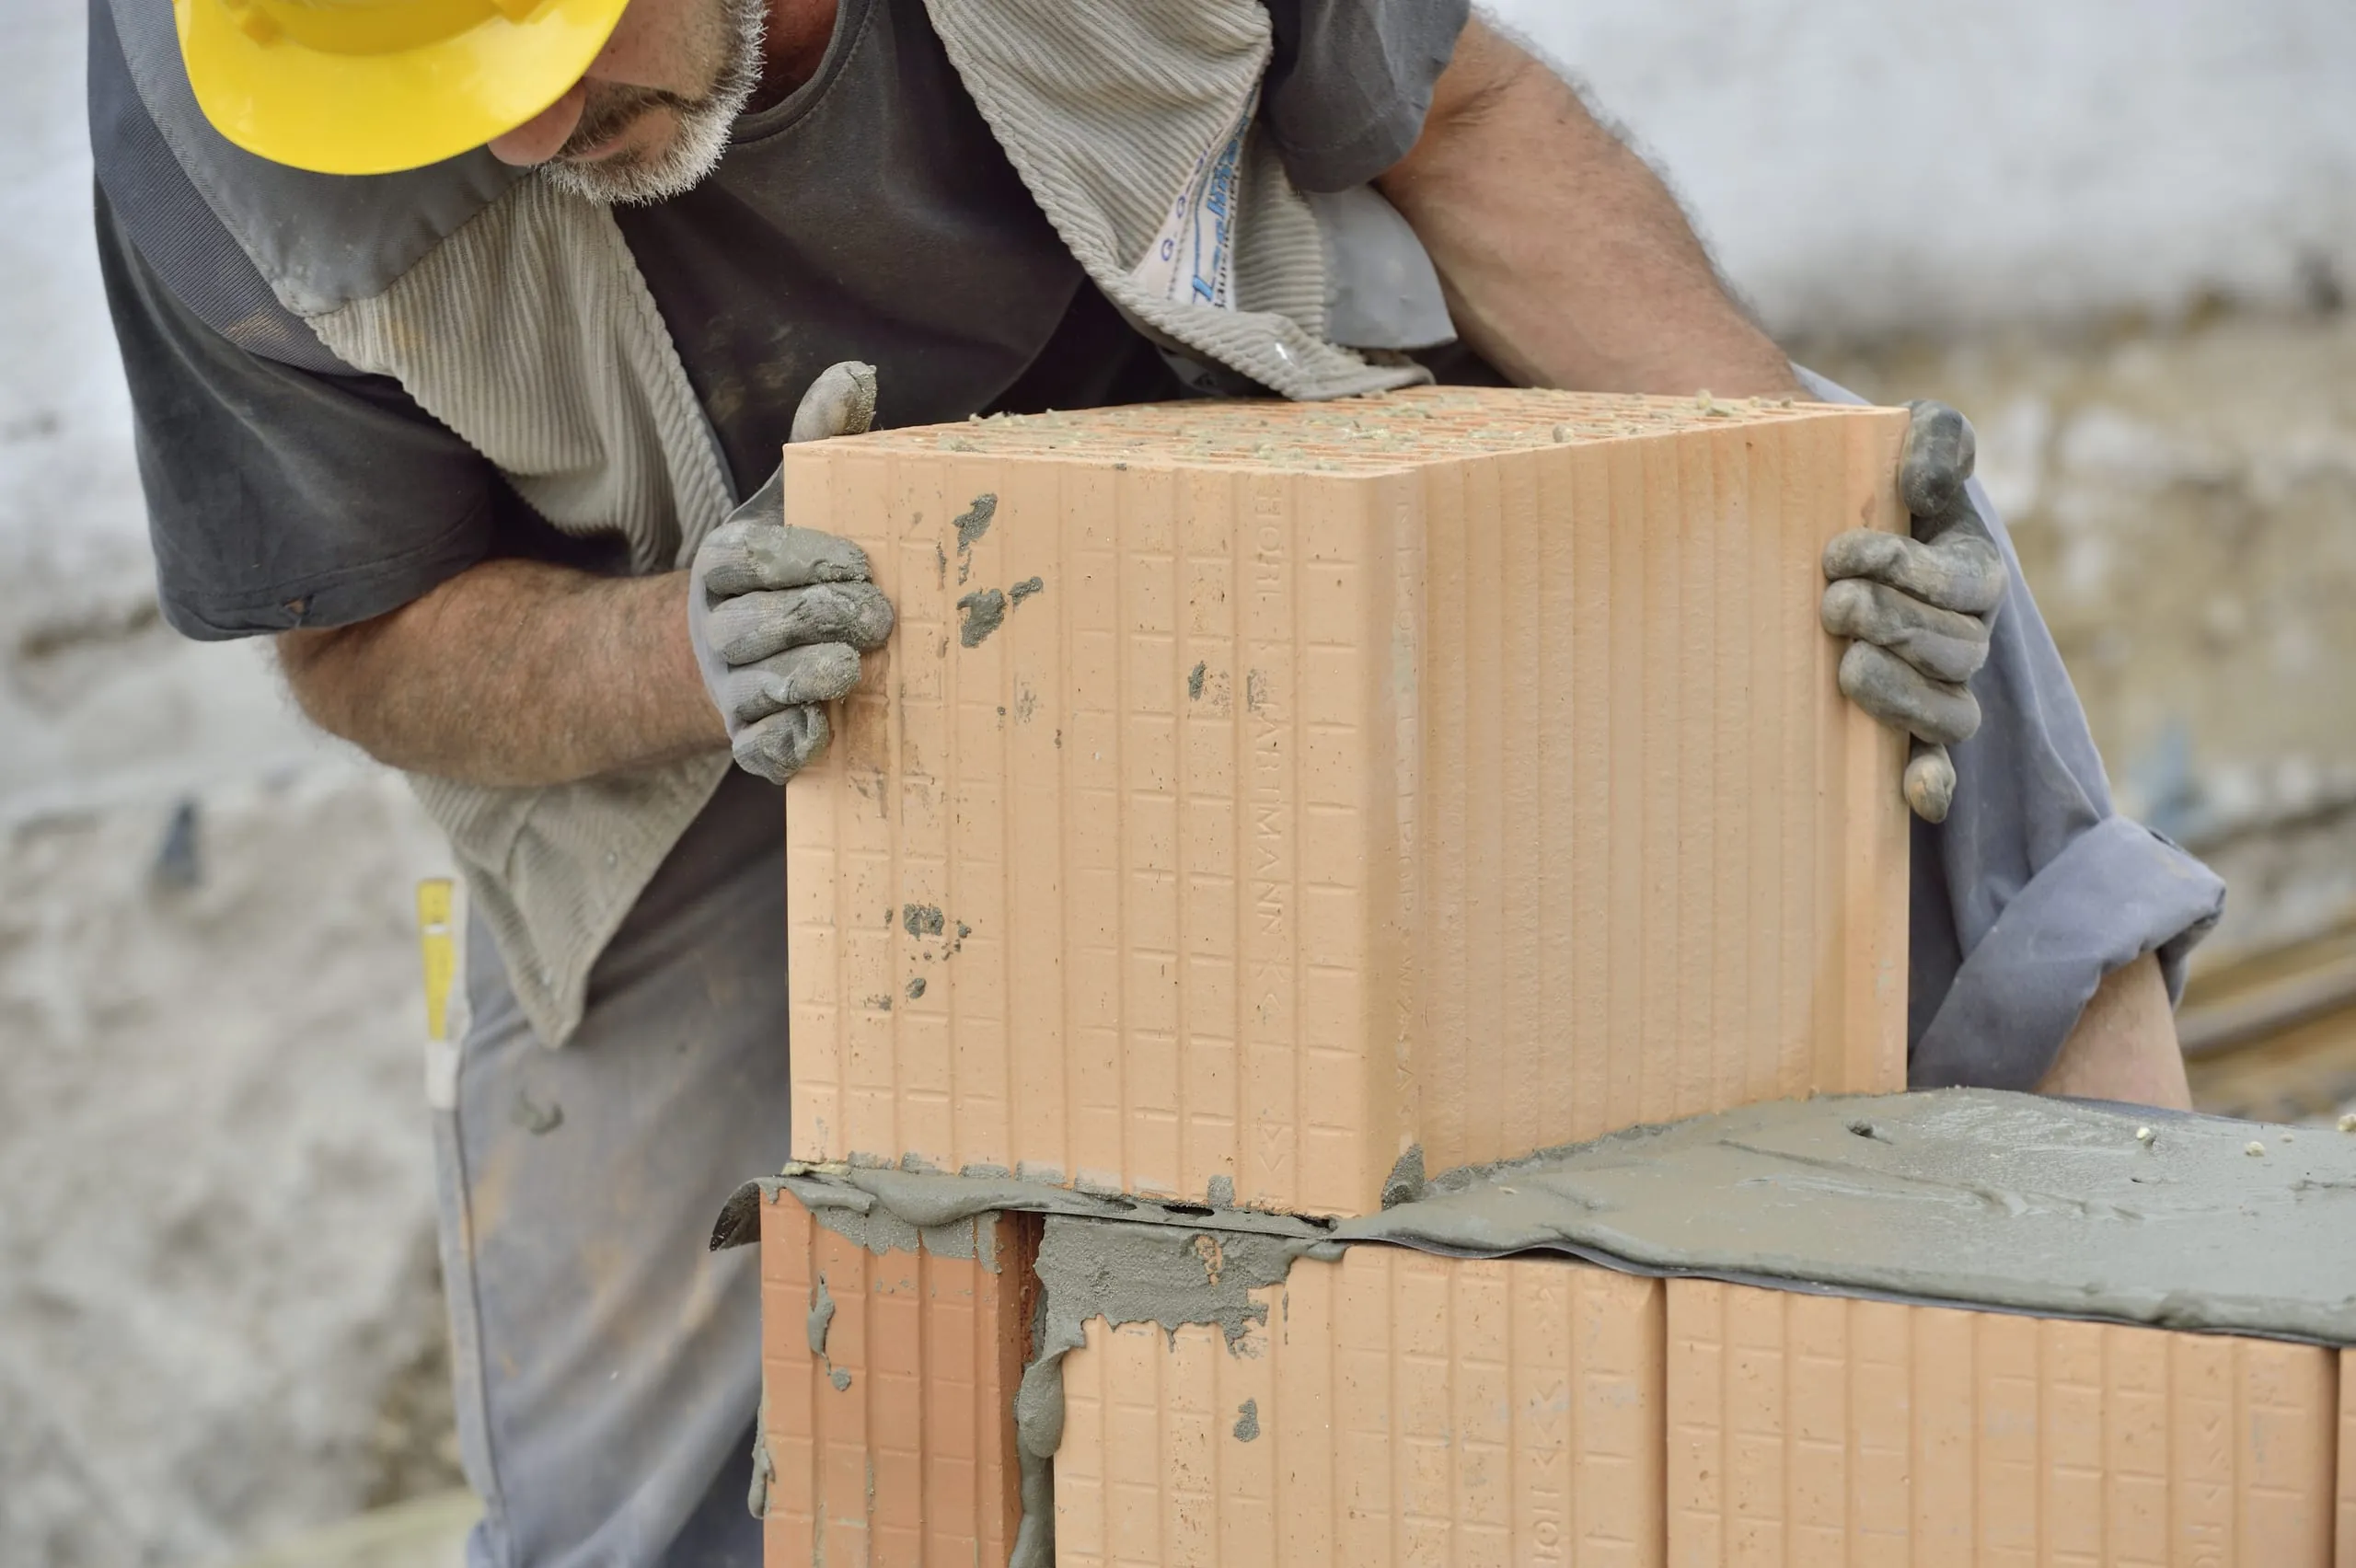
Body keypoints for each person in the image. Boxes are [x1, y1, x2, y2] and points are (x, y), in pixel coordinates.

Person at [88, 0, 2223, 1559]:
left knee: (1887, 541)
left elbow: (1455, 116)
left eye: (551, 43)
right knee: (630, 1496)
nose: (531, 126)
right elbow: (362, 638)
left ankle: (2166, 1344)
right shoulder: (236, 144)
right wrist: (682, 653)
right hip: (711, 660)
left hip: (1257, 393)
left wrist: (1784, 515)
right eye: (451, 90)